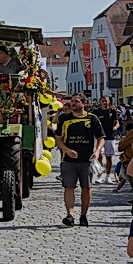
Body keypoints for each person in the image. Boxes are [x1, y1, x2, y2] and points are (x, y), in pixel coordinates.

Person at [56, 94, 103, 228]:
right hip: (68, 160)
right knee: (69, 186)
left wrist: (97, 151)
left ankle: (83, 216)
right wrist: (67, 150)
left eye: (76, 101)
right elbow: (58, 139)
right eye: (72, 101)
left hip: (86, 160)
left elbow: (101, 137)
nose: (73, 103)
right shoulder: (65, 119)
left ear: (84, 103)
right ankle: (70, 215)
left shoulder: (92, 118)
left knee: (86, 188)